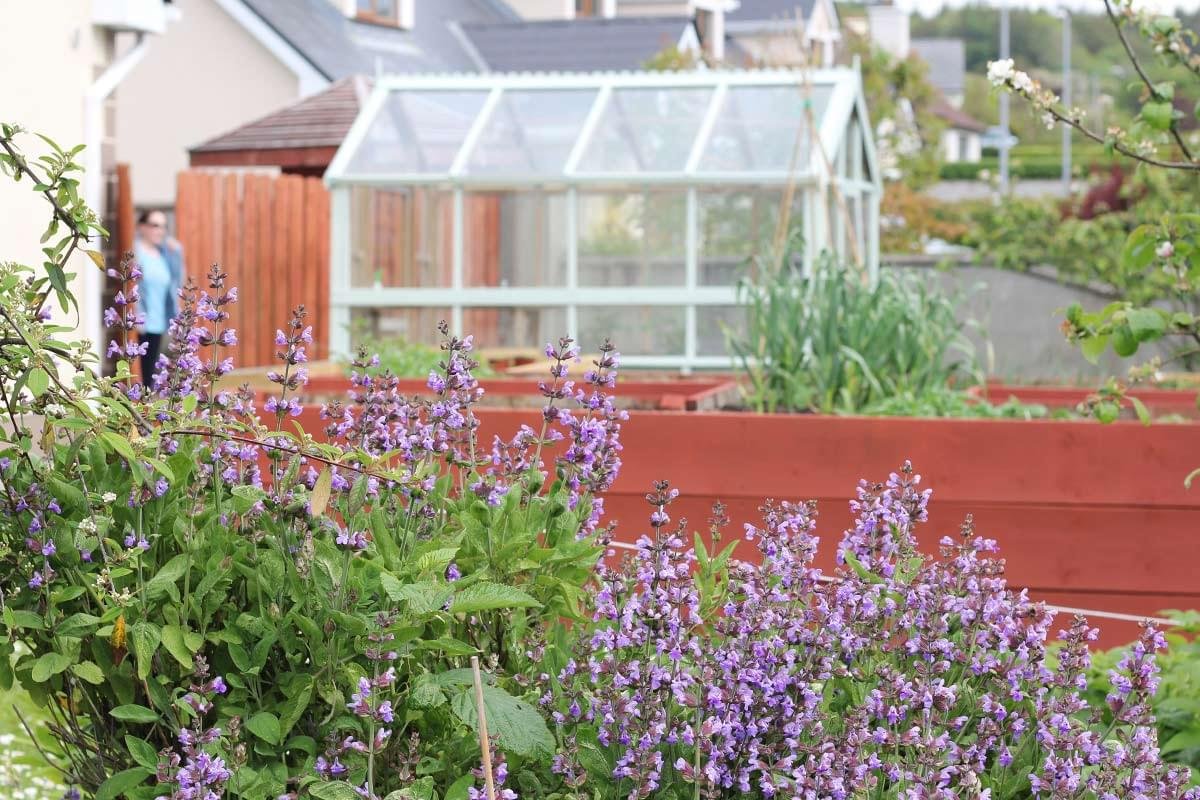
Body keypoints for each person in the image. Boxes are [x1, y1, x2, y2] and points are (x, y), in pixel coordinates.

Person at [133, 210, 184, 382]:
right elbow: (133, 286)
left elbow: (178, 279)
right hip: (141, 324)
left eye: (163, 226)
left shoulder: (164, 253)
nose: (160, 231)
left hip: (162, 323)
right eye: (155, 225)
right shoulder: (137, 252)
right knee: (143, 376)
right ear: (142, 227)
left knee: (159, 376)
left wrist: (177, 251)